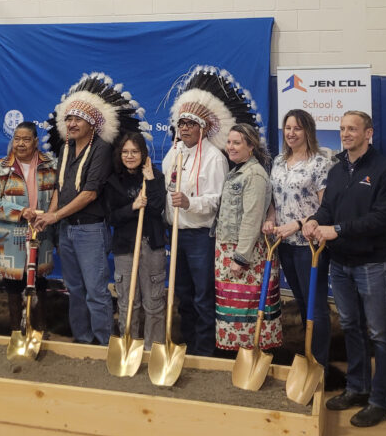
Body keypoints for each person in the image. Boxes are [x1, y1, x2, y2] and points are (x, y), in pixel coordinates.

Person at [304, 110, 386, 428]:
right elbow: (327, 208)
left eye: (353, 129)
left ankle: (379, 402)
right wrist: (315, 221)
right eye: (342, 128)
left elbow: (381, 220)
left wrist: (338, 229)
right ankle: (357, 389)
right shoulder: (336, 170)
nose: (346, 133)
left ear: (368, 133)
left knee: (380, 333)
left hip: (373, 264)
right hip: (340, 263)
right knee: (350, 327)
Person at [35, 72, 151, 345]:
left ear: (92, 123)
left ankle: (101, 343)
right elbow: (59, 190)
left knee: (96, 291)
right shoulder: (66, 149)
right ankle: (82, 341)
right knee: (74, 289)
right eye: (69, 119)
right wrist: (50, 218)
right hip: (67, 230)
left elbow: (88, 194)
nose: (71, 124)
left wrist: (55, 216)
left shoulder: (102, 149)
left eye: (77, 119)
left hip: (90, 231)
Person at [162, 65, 260, 357]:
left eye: (191, 124)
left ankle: (206, 351)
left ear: (202, 128)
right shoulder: (174, 152)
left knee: (204, 296)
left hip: (200, 237)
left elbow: (217, 200)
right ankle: (187, 347)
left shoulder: (215, 158)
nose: (185, 129)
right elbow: (166, 188)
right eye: (182, 124)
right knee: (183, 295)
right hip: (175, 234)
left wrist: (191, 203)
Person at [263, 109, 335, 372]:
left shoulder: (320, 164)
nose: (291, 133)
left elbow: (326, 207)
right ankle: (307, 355)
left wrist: (297, 225)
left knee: (316, 306)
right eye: (287, 128)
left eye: (297, 128)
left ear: (308, 132)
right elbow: (274, 200)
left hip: (310, 245)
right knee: (302, 303)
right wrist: (271, 219)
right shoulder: (279, 161)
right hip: (285, 244)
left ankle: (320, 365)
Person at [0, 121, 57, 333]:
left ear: (35, 142)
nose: (21, 144)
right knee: (13, 284)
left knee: (40, 281)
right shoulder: (1, 167)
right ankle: (16, 330)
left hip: (40, 232)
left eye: (26, 139)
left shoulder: (51, 165)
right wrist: (20, 212)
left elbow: (57, 197)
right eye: (17, 139)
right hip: (9, 238)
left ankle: (40, 328)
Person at [214, 123, 280, 352]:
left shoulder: (254, 175)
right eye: (229, 142)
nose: (230, 147)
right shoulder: (237, 171)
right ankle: (238, 359)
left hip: (245, 252)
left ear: (251, 146)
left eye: (237, 143)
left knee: (248, 309)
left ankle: (252, 355)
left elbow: (252, 219)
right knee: (233, 309)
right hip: (228, 248)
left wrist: (240, 258)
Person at [104, 131, 167, 349]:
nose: (130, 156)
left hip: (152, 245)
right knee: (128, 302)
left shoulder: (154, 177)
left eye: (135, 152)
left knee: (154, 303)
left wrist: (149, 180)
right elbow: (111, 217)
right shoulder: (113, 180)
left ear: (143, 154)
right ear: (120, 154)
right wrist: (133, 207)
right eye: (126, 152)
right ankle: (129, 346)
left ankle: (153, 349)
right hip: (125, 247)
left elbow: (159, 207)